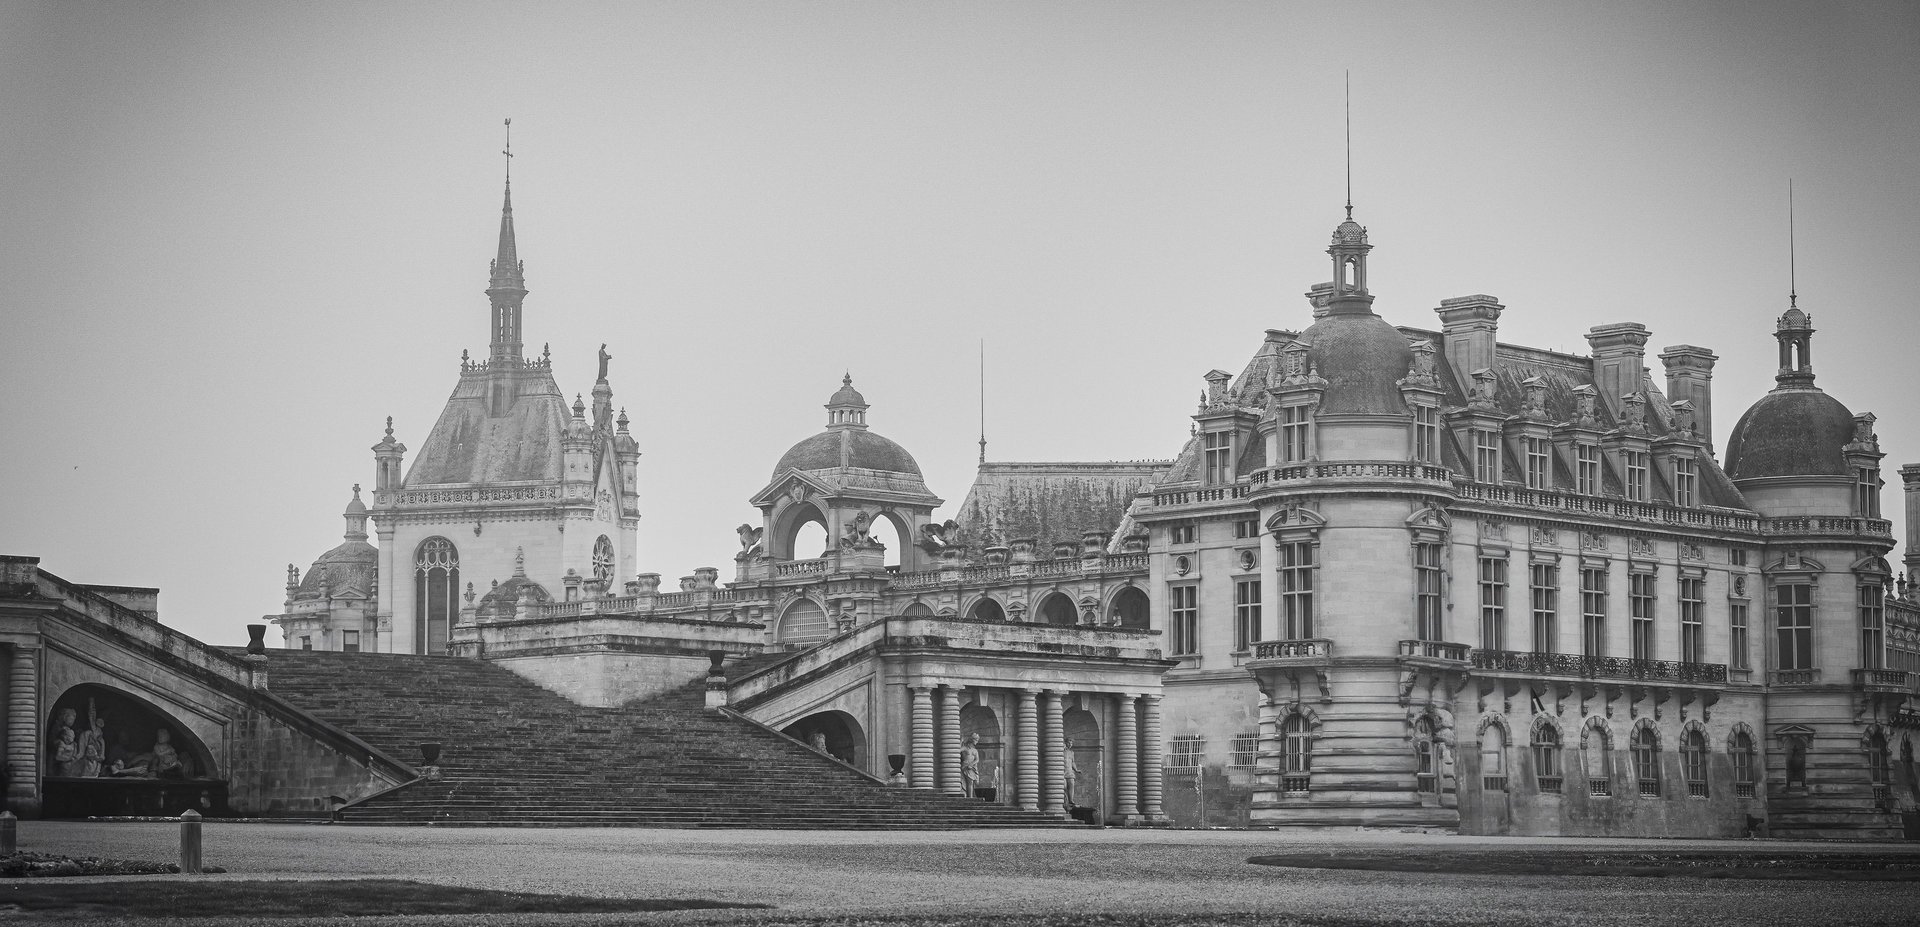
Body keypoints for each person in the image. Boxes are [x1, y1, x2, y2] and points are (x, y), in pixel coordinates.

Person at [77, 699, 107, 778]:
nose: (92, 713)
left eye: (94, 709)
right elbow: (81, 753)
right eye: (90, 710)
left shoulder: (99, 733)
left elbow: (102, 755)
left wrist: (100, 754)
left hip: (96, 763)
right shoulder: (85, 733)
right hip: (86, 764)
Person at [959, 733, 981, 798]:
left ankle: (971, 797)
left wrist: (972, 764)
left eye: (977, 739)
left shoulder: (975, 750)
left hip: (972, 767)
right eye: (976, 739)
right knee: (970, 782)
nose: (977, 741)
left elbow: (977, 759)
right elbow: (958, 750)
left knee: (973, 783)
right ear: (972, 740)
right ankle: (970, 797)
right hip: (965, 767)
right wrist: (961, 742)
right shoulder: (965, 748)